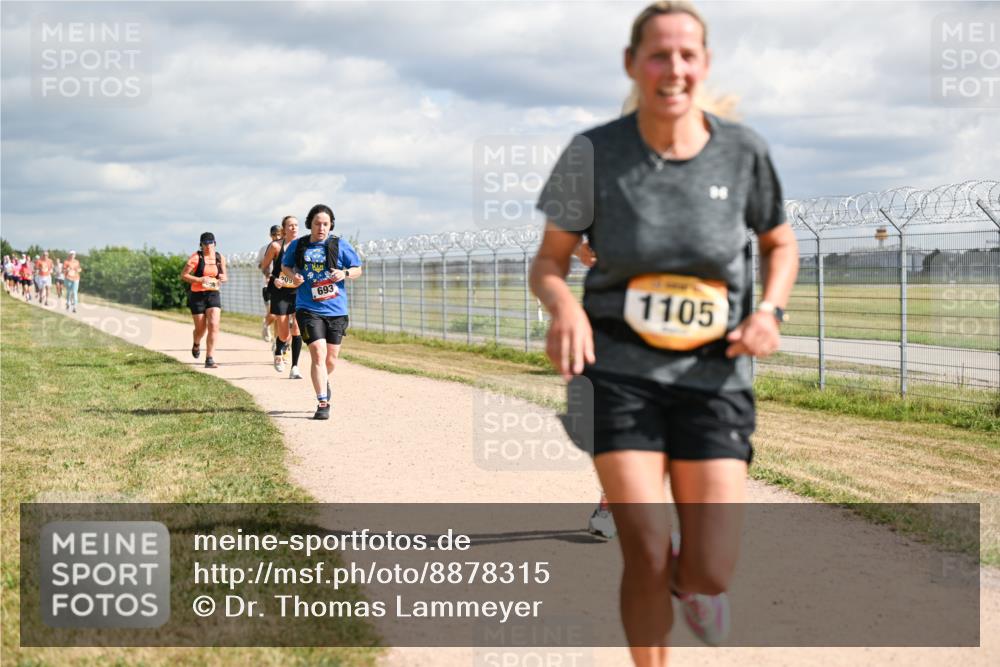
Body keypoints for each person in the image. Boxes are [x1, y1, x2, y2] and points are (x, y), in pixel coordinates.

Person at [530, 2, 799, 663]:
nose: (672, 67)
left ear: (704, 65)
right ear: (632, 64)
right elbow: (548, 261)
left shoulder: (744, 152)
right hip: (620, 374)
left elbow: (781, 243)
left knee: (709, 568)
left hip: (715, 377)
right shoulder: (593, 152)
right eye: (658, 54)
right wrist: (562, 306)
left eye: (686, 55)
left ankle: (696, 581)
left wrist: (769, 311)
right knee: (645, 545)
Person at [281, 204, 362, 419]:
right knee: (318, 351)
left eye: (326, 224)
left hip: (336, 309)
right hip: (308, 307)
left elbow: (357, 269)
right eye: (318, 223)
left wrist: (344, 273)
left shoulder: (340, 245)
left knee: (331, 360)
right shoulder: (299, 246)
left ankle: (323, 379)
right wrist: (294, 276)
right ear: (310, 224)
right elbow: (285, 267)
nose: (322, 228)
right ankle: (323, 402)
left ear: (331, 225)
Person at [260, 216, 305, 378]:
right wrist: (274, 279)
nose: (293, 228)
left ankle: (295, 367)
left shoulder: (303, 245)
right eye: (290, 225)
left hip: (298, 291)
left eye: (296, 225)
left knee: (297, 329)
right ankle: (278, 351)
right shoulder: (275, 246)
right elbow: (264, 267)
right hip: (280, 291)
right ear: (284, 229)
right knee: (284, 333)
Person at [180, 232, 227, 369]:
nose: (208, 246)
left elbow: (224, 275)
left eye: (210, 243)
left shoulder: (219, 257)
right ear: (201, 244)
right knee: (201, 329)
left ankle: (209, 358)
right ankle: (196, 343)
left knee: (214, 324)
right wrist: (199, 280)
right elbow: (184, 275)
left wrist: (223, 279)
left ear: (215, 243)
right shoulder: (196, 257)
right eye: (205, 243)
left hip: (213, 293)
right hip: (197, 295)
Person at [257, 224, 281, 342]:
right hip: (268, 285)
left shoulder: (285, 248)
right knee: (273, 313)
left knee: (280, 316)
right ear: (270, 236)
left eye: (278, 234)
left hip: (283, 285)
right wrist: (267, 273)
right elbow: (260, 264)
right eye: (274, 235)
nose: (276, 237)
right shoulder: (264, 249)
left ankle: (277, 343)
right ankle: (266, 325)